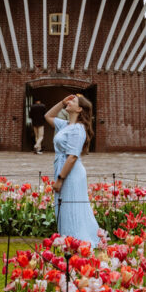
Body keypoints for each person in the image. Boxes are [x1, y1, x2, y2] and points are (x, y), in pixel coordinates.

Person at [45, 94, 100, 247]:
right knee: (64, 206)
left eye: (73, 101)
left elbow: (72, 157)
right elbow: (48, 115)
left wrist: (60, 179)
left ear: (79, 109)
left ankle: (76, 240)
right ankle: (68, 239)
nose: (69, 102)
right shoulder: (66, 125)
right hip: (63, 167)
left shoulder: (77, 129)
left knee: (71, 206)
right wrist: (62, 102)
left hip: (71, 173)